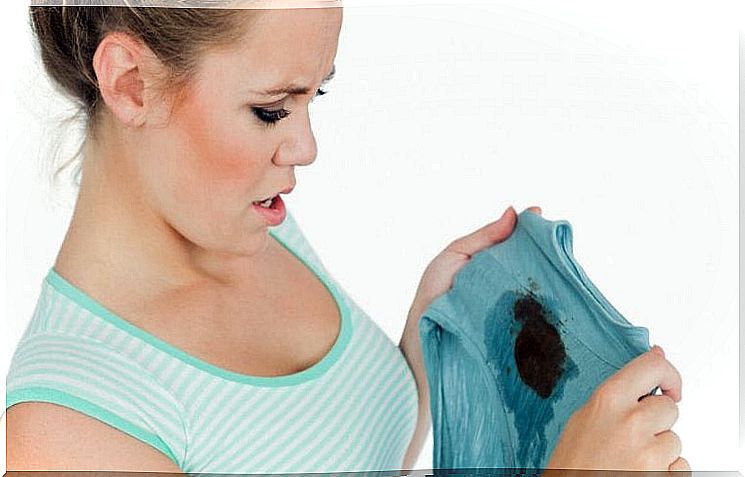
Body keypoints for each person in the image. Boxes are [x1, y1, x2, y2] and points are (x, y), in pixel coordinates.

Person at [6, 2, 688, 473]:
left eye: (313, 97)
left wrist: (429, 346)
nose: (303, 147)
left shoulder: (241, 218)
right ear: (130, 83)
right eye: (270, 108)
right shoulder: (70, 428)